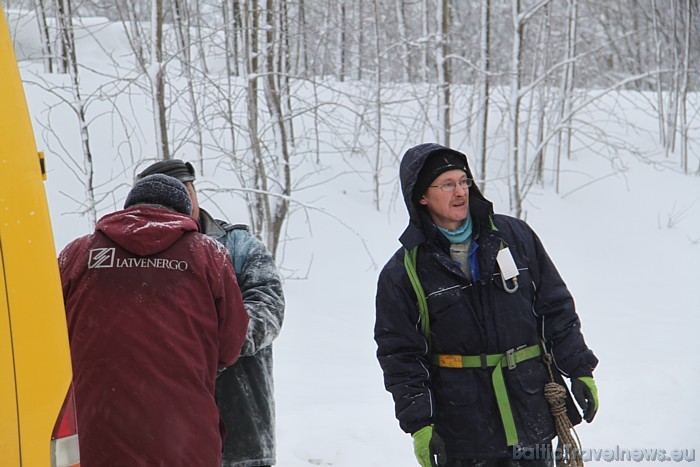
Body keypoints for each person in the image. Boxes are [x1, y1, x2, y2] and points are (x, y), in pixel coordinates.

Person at [374, 143, 599, 467]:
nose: (460, 192)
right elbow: (399, 353)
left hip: (530, 413)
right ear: (421, 196)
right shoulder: (404, 271)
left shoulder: (514, 236)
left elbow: (556, 308)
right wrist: (419, 424)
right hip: (464, 431)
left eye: (464, 181)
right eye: (447, 184)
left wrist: (579, 369)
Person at [59, 174, 249, 466]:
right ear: (183, 213)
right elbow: (231, 344)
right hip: (184, 438)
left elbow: (47, 336)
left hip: (94, 433)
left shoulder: (78, 253)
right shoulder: (209, 255)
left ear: (130, 208)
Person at [136, 159, 285, 467]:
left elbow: (269, 308)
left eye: (186, 189)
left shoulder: (239, 245)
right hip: (170, 432)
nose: (183, 200)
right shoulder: (143, 255)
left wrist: (209, 343)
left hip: (241, 426)